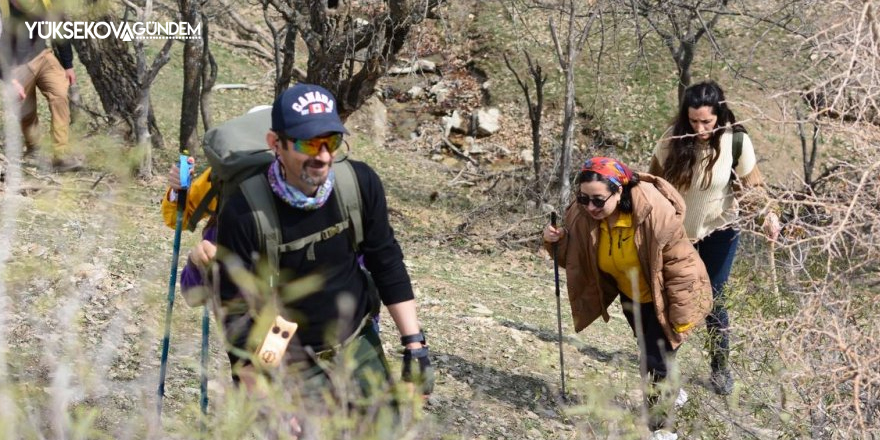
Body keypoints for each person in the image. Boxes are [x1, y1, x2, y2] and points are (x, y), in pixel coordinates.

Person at [215, 83, 431, 435]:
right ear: (276, 144)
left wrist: (415, 346)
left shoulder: (359, 183)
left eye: (330, 142)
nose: (323, 156)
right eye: (307, 144)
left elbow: (386, 260)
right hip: (283, 347)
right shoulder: (244, 212)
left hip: (356, 337)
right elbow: (237, 317)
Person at [543, 157, 712, 438]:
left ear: (618, 190)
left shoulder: (653, 212)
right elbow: (573, 259)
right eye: (583, 199)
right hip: (629, 292)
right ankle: (673, 390)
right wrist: (555, 242)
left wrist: (681, 317)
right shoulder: (581, 214)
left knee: (656, 360)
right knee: (651, 353)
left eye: (598, 200)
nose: (590, 207)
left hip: (663, 295)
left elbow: (682, 267)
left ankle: (662, 429)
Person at [648, 80, 781, 396]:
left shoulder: (736, 141)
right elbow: (650, 184)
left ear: (719, 115)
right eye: (693, 121)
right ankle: (665, 372)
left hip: (720, 233)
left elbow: (752, 189)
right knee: (674, 300)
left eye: (706, 121)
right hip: (678, 235)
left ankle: (720, 367)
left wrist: (768, 215)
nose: (700, 128)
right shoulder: (672, 139)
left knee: (713, 300)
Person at [0, 0, 81, 172]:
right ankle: (34, 148)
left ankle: (61, 154)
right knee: (25, 109)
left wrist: (68, 65)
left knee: (59, 94)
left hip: (42, 55)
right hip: (15, 65)